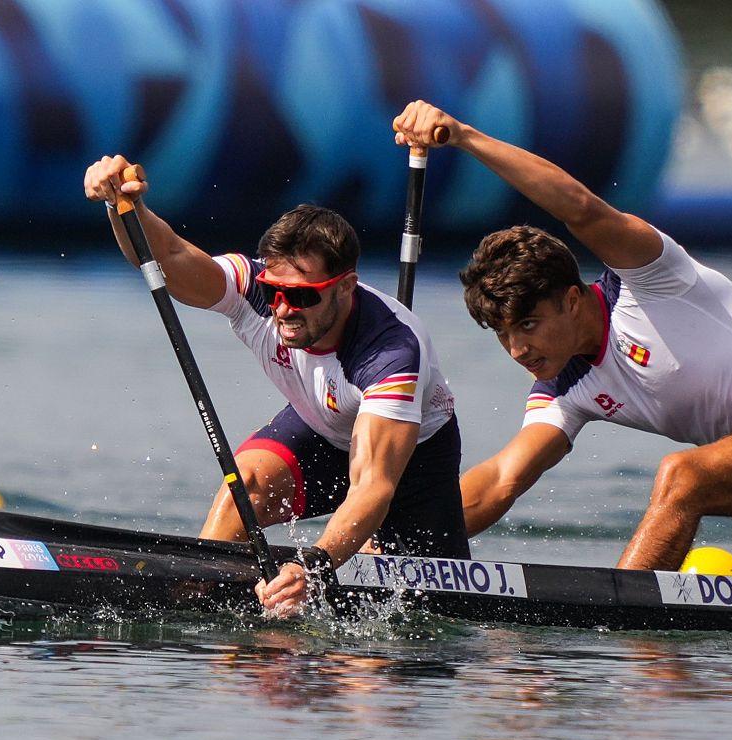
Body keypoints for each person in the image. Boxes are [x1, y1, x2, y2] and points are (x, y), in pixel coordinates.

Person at [392, 100, 732, 580]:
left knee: (684, 477)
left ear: (572, 299)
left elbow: (580, 208)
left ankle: (623, 622)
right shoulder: (563, 390)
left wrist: (463, 136)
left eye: (528, 325)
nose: (518, 350)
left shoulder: (651, 281)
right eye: (503, 334)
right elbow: (500, 482)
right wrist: (388, 541)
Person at [83, 155, 469, 616]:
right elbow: (167, 256)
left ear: (346, 288)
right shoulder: (255, 289)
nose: (283, 309)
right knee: (241, 489)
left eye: (303, 295)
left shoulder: (390, 352)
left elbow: (371, 486)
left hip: (411, 463)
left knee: (421, 627)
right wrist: (125, 206)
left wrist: (315, 565)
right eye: (275, 292)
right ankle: (188, 610)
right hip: (322, 429)